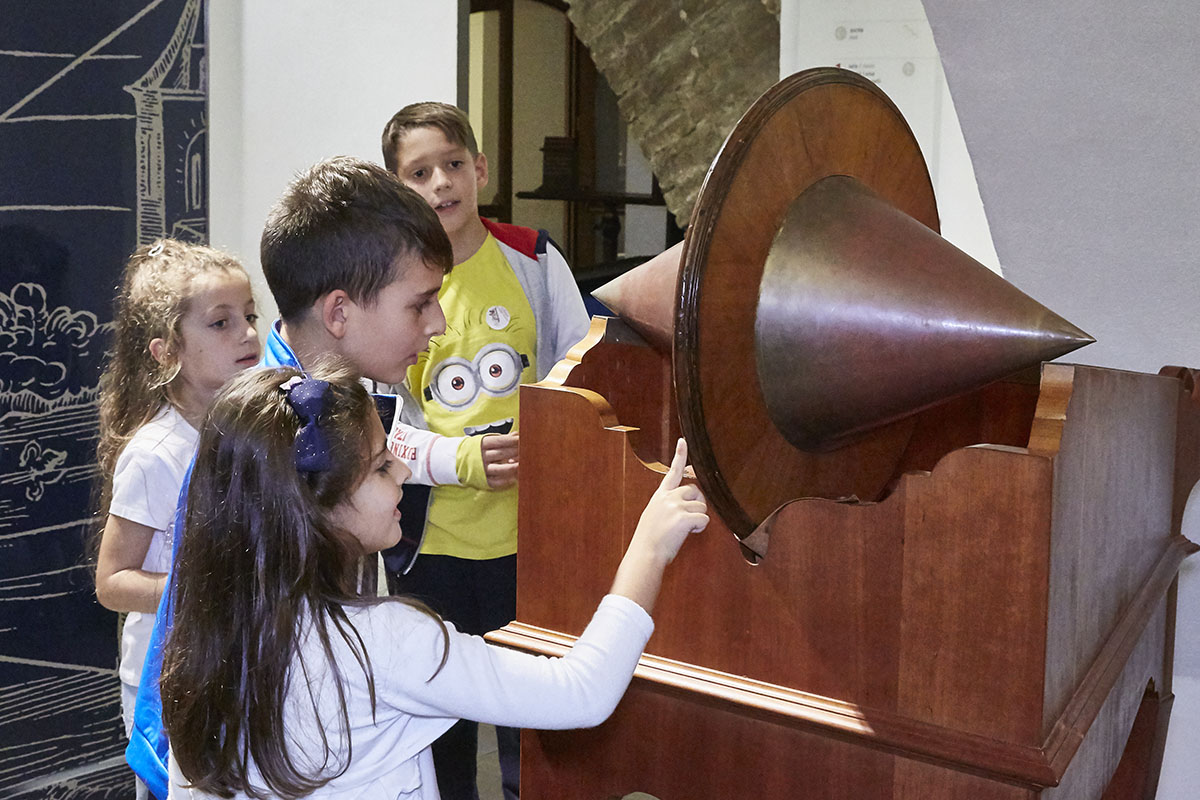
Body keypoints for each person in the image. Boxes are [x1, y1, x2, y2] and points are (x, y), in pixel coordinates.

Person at [161, 364, 708, 800]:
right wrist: (651, 544)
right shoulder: (385, 642)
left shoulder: (203, 641)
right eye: (380, 467)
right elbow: (582, 692)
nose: (401, 473)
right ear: (314, 509)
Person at [127, 157, 472, 799]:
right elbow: (200, 631)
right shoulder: (269, 433)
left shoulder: (335, 404)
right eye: (420, 304)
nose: (438, 325)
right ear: (339, 313)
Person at [381, 101, 590, 799]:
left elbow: (583, 373)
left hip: (528, 544)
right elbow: (378, 420)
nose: (441, 183)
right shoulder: (390, 284)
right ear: (396, 187)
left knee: (529, 734)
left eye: (452, 164)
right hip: (430, 548)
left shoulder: (532, 258)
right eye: (419, 172)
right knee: (440, 734)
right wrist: (458, 458)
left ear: (480, 169)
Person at [93, 239, 260, 799]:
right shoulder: (155, 453)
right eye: (221, 322)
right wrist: (208, 591)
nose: (247, 333)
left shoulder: (248, 432)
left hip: (239, 665)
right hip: (170, 686)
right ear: (167, 352)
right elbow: (113, 583)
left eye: (249, 316)